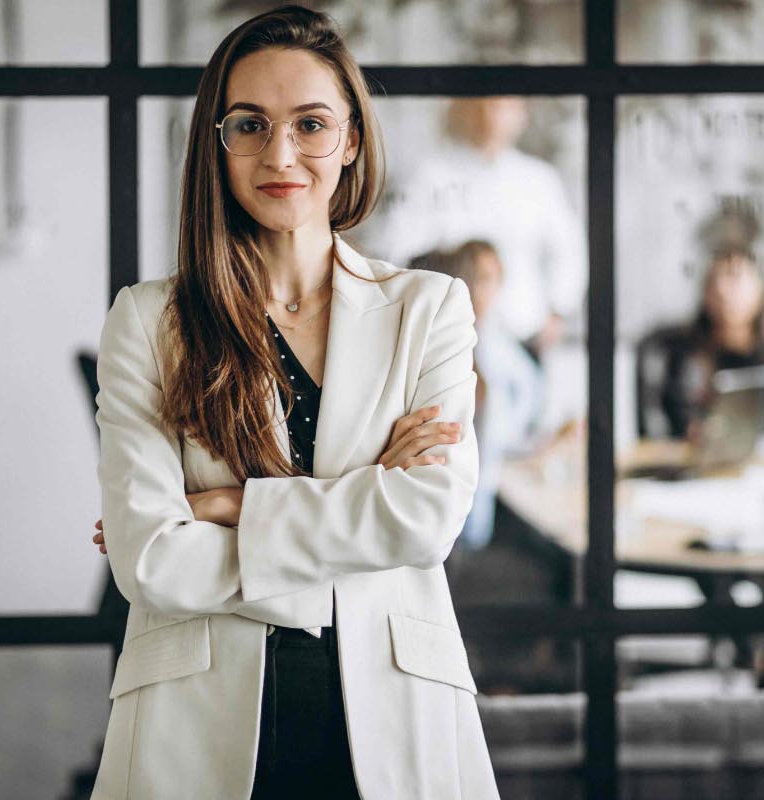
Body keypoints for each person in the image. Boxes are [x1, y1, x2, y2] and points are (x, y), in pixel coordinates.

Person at [86, 7, 498, 798]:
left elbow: (427, 517)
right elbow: (150, 559)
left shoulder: (429, 309)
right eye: (250, 124)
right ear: (218, 140)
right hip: (197, 713)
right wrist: (360, 509)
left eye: (311, 124)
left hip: (394, 701)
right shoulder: (148, 320)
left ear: (350, 142)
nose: (281, 154)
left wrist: (229, 506)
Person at [365, 95, 587, 359]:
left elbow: (569, 250)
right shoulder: (431, 175)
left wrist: (558, 310)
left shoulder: (538, 180)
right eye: (484, 105)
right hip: (446, 335)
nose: (492, 116)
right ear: (465, 110)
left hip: (523, 333)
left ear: (522, 115)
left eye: (504, 107)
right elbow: (396, 248)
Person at [409, 240, 544, 551]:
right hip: (448, 511)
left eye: (497, 279)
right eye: (482, 279)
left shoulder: (500, 348)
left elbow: (510, 434)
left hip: (490, 502)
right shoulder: (441, 348)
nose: (491, 291)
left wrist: (544, 444)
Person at [636, 247, 764, 441]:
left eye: (735, 277)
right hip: (690, 466)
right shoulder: (677, 354)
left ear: (760, 288)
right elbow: (663, 428)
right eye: (715, 280)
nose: (723, 289)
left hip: (757, 467)